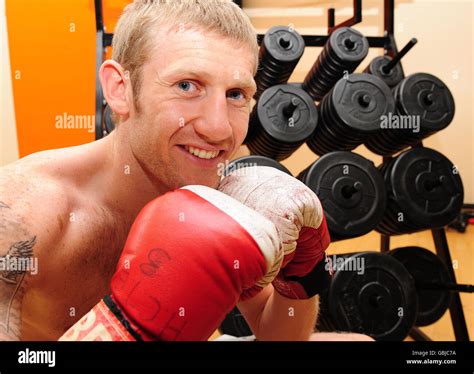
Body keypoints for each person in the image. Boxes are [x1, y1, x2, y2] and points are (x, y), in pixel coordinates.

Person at [0, 0, 371, 341]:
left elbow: (281, 337)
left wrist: (302, 279)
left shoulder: (217, 197)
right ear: (119, 89)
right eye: (187, 85)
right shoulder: (26, 215)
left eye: (236, 94)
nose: (219, 129)